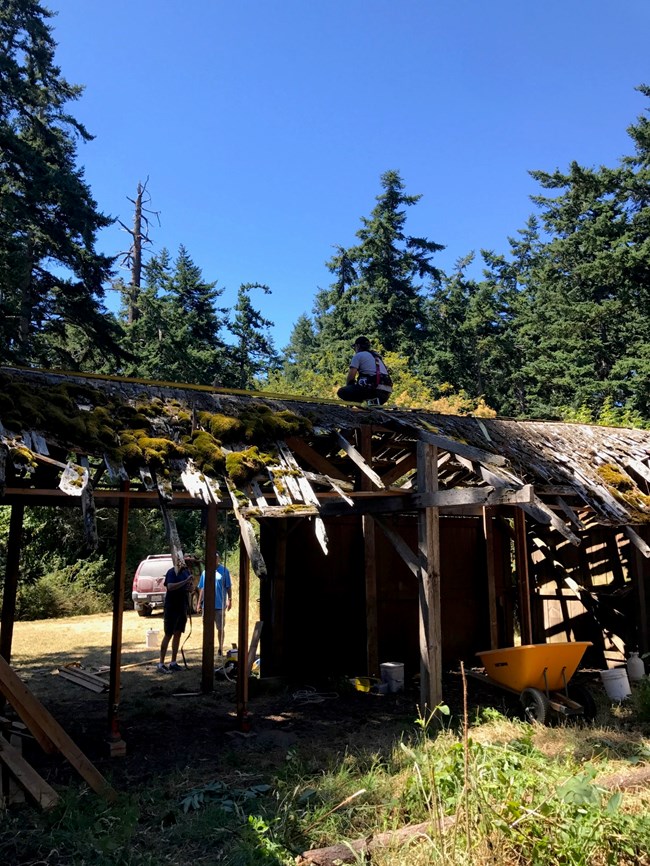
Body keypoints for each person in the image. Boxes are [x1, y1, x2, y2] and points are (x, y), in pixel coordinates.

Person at [158, 560, 193, 673]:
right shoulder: (171, 572)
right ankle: (161, 664)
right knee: (168, 634)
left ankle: (173, 662)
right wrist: (185, 581)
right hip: (171, 607)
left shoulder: (186, 572)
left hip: (182, 607)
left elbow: (189, 588)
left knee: (178, 634)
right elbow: (170, 586)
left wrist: (190, 587)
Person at [337, 336, 393, 405]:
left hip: (372, 391)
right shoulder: (377, 357)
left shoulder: (358, 355)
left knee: (342, 392)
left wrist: (350, 388)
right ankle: (368, 406)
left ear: (358, 346)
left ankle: (359, 406)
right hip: (386, 394)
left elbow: (351, 377)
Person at [197, 552, 232, 656]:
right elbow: (202, 588)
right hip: (207, 606)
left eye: (216, 558)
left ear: (219, 559)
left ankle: (220, 648)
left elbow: (228, 587)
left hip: (219, 605)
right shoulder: (205, 572)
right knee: (207, 628)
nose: (214, 560)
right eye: (212, 558)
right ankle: (208, 648)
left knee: (220, 628)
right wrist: (199, 603)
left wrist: (230, 599)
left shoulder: (224, 571)